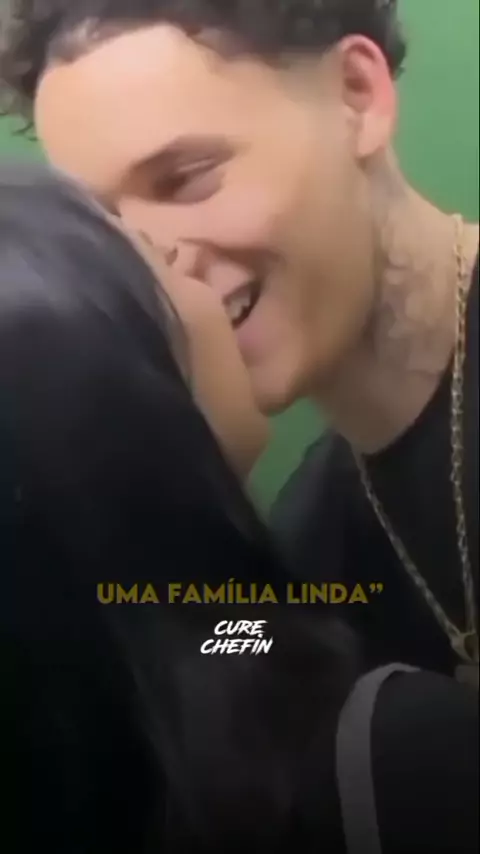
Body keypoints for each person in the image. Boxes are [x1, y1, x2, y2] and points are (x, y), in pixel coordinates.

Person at [0, 164, 478, 854]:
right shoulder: (393, 763)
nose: (185, 253)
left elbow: (214, 638)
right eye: (148, 251)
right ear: (115, 394)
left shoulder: (168, 641)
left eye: (186, 179)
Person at [2, 0, 476, 680]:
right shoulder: (317, 548)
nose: (153, 269)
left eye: (185, 178)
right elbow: (231, 650)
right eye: (110, 230)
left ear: (356, 95)